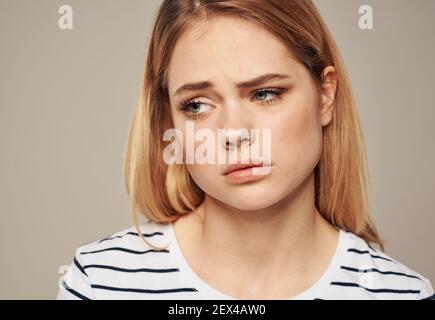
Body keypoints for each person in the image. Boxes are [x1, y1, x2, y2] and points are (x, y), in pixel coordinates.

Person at [57, 0, 434, 300]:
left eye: (265, 93)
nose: (234, 133)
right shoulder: (100, 282)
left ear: (325, 96)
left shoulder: (403, 294)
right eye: (197, 105)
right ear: (168, 122)